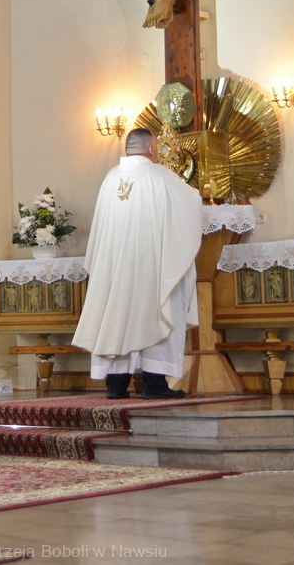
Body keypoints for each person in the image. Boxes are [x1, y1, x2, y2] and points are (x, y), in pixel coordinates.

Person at [71, 127, 203, 399]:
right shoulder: (160, 175)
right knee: (153, 312)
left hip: (113, 267)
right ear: (152, 149)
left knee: (116, 317)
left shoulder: (110, 178)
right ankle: (154, 384)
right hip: (147, 265)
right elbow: (192, 200)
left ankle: (116, 385)